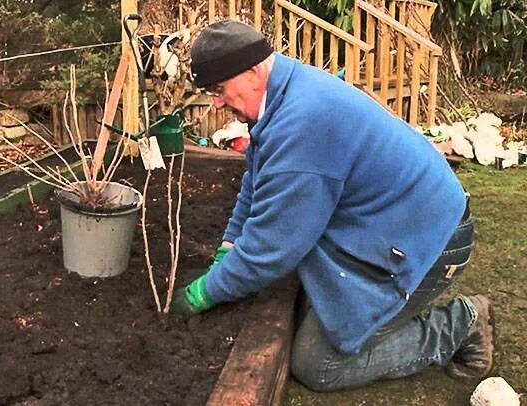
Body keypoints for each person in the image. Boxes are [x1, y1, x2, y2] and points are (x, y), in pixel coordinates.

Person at [170, 19, 494, 391]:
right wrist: (228, 247)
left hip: (429, 240)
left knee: (318, 364)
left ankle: (461, 324)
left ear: (253, 72)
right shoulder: (286, 93)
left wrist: (205, 292)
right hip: (389, 221)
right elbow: (256, 181)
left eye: (218, 88)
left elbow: (271, 249)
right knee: (319, 306)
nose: (216, 101)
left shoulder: (302, 124)